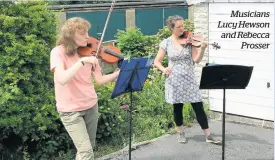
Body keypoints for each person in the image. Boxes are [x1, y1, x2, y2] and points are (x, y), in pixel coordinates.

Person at [50, 17, 120, 160]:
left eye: (87, 32)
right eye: (83, 34)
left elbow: (99, 80)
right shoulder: (58, 52)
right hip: (71, 111)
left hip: (90, 105)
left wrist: (117, 74)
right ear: (70, 36)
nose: (87, 37)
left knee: (86, 150)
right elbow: (62, 79)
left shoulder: (90, 52)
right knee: (87, 152)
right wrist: (81, 61)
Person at [154, 15, 221, 144]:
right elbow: (157, 61)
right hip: (174, 80)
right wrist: (164, 69)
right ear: (171, 28)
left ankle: (208, 135)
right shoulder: (166, 42)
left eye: (183, 26)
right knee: (177, 107)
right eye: (179, 27)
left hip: (189, 79)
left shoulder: (190, 41)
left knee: (198, 106)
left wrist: (202, 49)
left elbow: (196, 60)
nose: (182, 29)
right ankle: (180, 133)